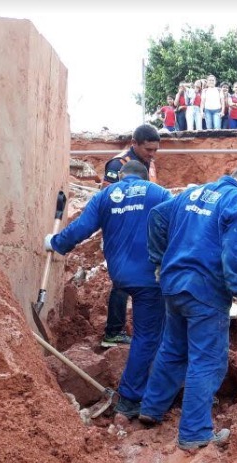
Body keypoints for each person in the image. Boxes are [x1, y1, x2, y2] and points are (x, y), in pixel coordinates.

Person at [138, 166, 237, 451]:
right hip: (205, 289)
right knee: (206, 360)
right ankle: (195, 433)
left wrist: (159, 261)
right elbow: (235, 251)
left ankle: (151, 408)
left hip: (173, 283)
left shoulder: (193, 192)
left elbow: (157, 216)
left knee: (173, 348)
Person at [44, 161, 172, 419]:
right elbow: (179, 226)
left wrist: (55, 243)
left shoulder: (105, 196)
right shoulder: (158, 193)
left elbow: (80, 229)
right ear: (144, 176)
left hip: (121, 277)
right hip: (150, 277)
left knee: (149, 334)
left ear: (121, 177)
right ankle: (131, 397)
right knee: (148, 336)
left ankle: (148, 387)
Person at [99, 124, 162, 347]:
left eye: (155, 150)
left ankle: (145, 331)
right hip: (122, 234)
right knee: (121, 282)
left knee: (143, 279)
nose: (152, 154)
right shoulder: (118, 165)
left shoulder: (148, 163)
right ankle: (113, 332)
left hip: (144, 233)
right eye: (148, 150)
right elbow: (106, 202)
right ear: (134, 144)